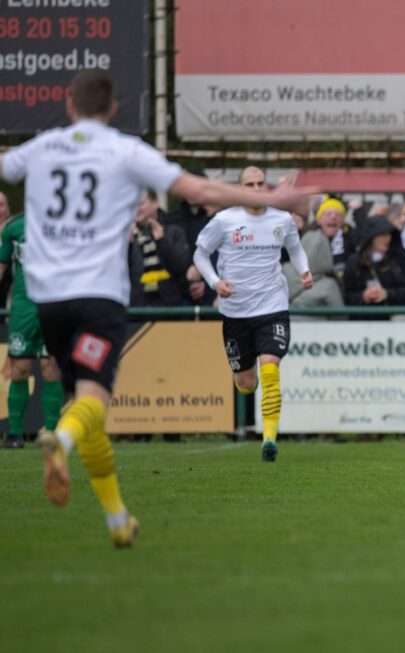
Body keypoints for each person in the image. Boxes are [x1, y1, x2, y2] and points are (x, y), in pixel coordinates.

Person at [0, 70, 315, 547]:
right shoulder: (126, 151)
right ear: (113, 109)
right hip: (98, 295)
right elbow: (202, 193)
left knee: (84, 403)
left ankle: (116, 519)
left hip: (47, 296)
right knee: (91, 401)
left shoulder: (42, 148)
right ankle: (59, 440)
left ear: (69, 106)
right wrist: (269, 197)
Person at [193, 166, 313, 463]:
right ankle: (246, 380)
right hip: (236, 311)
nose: (257, 188)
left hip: (272, 305)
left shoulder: (282, 219)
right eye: (250, 184)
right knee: (246, 382)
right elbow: (200, 254)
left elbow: (295, 249)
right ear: (241, 186)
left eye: (261, 183)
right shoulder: (224, 220)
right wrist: (215, 282)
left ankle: (269, 439)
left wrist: (304, 271)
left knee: (270, 365)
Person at [0, 210, 64, 449]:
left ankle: (51, 433)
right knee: (19, 369)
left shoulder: (65, 222)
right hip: (23, 307)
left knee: (51, 367)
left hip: (54, 305)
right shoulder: (14, 228)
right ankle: (15, 434)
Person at [343, 216, 405, 315]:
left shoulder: (400, 260)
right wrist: (363, 296)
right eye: (382, 234)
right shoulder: (354, 262)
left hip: (397, 320)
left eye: (389, 234)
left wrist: (388, 294)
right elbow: (346, 294)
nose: (387, 238)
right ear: (371, 237)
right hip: (364, 321)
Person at [128, 190, 192, 307]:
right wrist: (128, 245)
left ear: (156, 203)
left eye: (141, 204)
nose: (136, 209)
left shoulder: (174, 231)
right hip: (137, 308)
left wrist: (162, 241)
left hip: (170, 307)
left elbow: (182, 268)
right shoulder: (128, 236)